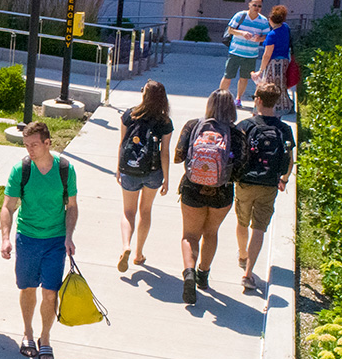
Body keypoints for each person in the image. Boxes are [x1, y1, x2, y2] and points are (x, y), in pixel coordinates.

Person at [0, 122, 78, 359]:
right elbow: (8, 206)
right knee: (27, 288)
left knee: (50, 292)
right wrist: (5, 237)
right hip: (27, 238)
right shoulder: (20, 170)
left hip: (55, 240)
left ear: (47, 143)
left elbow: (72, 207)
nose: (29, 150)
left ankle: (45, 338)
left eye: (34, 145)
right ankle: (28, 333)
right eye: (26, 145)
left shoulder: (65, 169)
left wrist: (68, 236)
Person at [174, 90, 247, 305]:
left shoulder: (193, 125)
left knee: (189, 235)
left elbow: (178, 157)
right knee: (211, 232)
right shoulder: (237, 134)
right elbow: (242, 167)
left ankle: (188, 271)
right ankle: (202, 275)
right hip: (222, 191)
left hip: (192, 187)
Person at [234, 83, 296, 292]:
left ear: (258, 100)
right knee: (259, 228)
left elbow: (235, 154)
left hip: (245, 181)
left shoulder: (245, 126)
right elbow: (289, 159)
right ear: (276, 101)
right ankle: (248, 273)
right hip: (269, 183)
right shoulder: (284, 129)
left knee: (242, 221)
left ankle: (242, 254)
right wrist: (284, 180)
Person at [116, 80, 174, 271]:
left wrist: (119, 168)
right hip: (153, 171)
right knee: (145, 211)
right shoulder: (165, 122)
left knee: (128, 212)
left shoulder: (129, 114)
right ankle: (139, 253)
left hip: (130, 169)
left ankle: (126, 246)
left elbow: (123, 143)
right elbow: (165, 152)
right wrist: (166, 178)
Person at [218, 0, 269, 105]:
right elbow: (230, 30)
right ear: (249, 5)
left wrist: (258, 39)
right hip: (235, 52)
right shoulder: (240, 15)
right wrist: (242, 33)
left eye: (259, 6)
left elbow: (266, 36)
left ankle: (238, 99)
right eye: (254, 5)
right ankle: (220, 98)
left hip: (250, 54)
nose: (256, 8)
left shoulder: (264, 21)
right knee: (228, 76)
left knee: (244, 78)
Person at [251, 5, 295, 115]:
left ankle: (267, 107)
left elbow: (267, 54)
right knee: (281, 84)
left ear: (270, 19)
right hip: (284, 61)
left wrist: (261, 70)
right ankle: (285, 105)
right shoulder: (285, 28)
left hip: (274, 63)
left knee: (269, 85)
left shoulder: (271, 35)